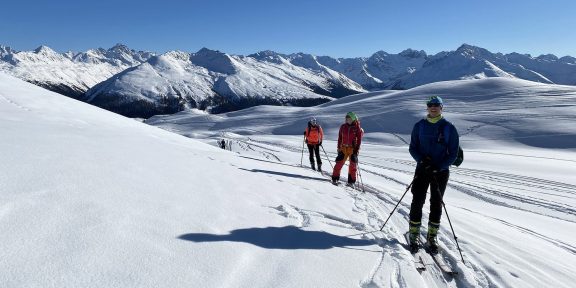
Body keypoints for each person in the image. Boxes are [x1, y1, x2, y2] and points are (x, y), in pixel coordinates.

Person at [408, 96, 459, 254]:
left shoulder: (449, 127)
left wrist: (439, 166)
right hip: (422, 170)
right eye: (430, 105)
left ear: (441, 107)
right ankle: (414, 233)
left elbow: (453, 153)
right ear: (427, 107)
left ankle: (432, 236)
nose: (433, 107)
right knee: (417, 200)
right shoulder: (419, 126)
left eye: (436, 105)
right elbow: (413, 148)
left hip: (440, 172)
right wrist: (421, 161)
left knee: (436, 203)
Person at [331, 112, 363, 186]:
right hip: (343, 148)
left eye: (349, 119)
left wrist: (356, 149)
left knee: (353, 166)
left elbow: (359, 140)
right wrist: (338, 147)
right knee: (339, 163)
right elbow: (340, 138)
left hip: (352, 149)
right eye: (346, 119)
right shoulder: (343, 126)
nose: (347, 120)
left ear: (353, 119)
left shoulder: (357, 127)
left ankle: (351, 182)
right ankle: (335, 179)